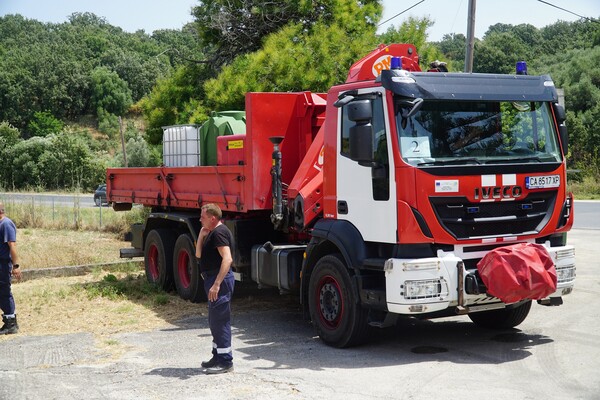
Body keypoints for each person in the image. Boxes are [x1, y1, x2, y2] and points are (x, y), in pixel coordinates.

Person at [195, 203, 235, 374]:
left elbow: (227, 259)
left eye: (202, 217)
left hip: (219, 281)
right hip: (211, 279)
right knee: (214, 321)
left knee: (220, 321)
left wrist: (217, 284)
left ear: (212, 218)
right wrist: (201, 236)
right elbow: (198, 255)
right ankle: (217, 356)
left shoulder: (219, 233)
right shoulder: (211, 232)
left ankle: (226, 362)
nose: (199, 219)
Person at [0, 202, 21, 335]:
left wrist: (16, 266)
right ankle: (8, 320)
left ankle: (11, 323)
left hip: (3, 264)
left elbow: (12, 245)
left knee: (4, 292)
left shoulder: (6, 224)